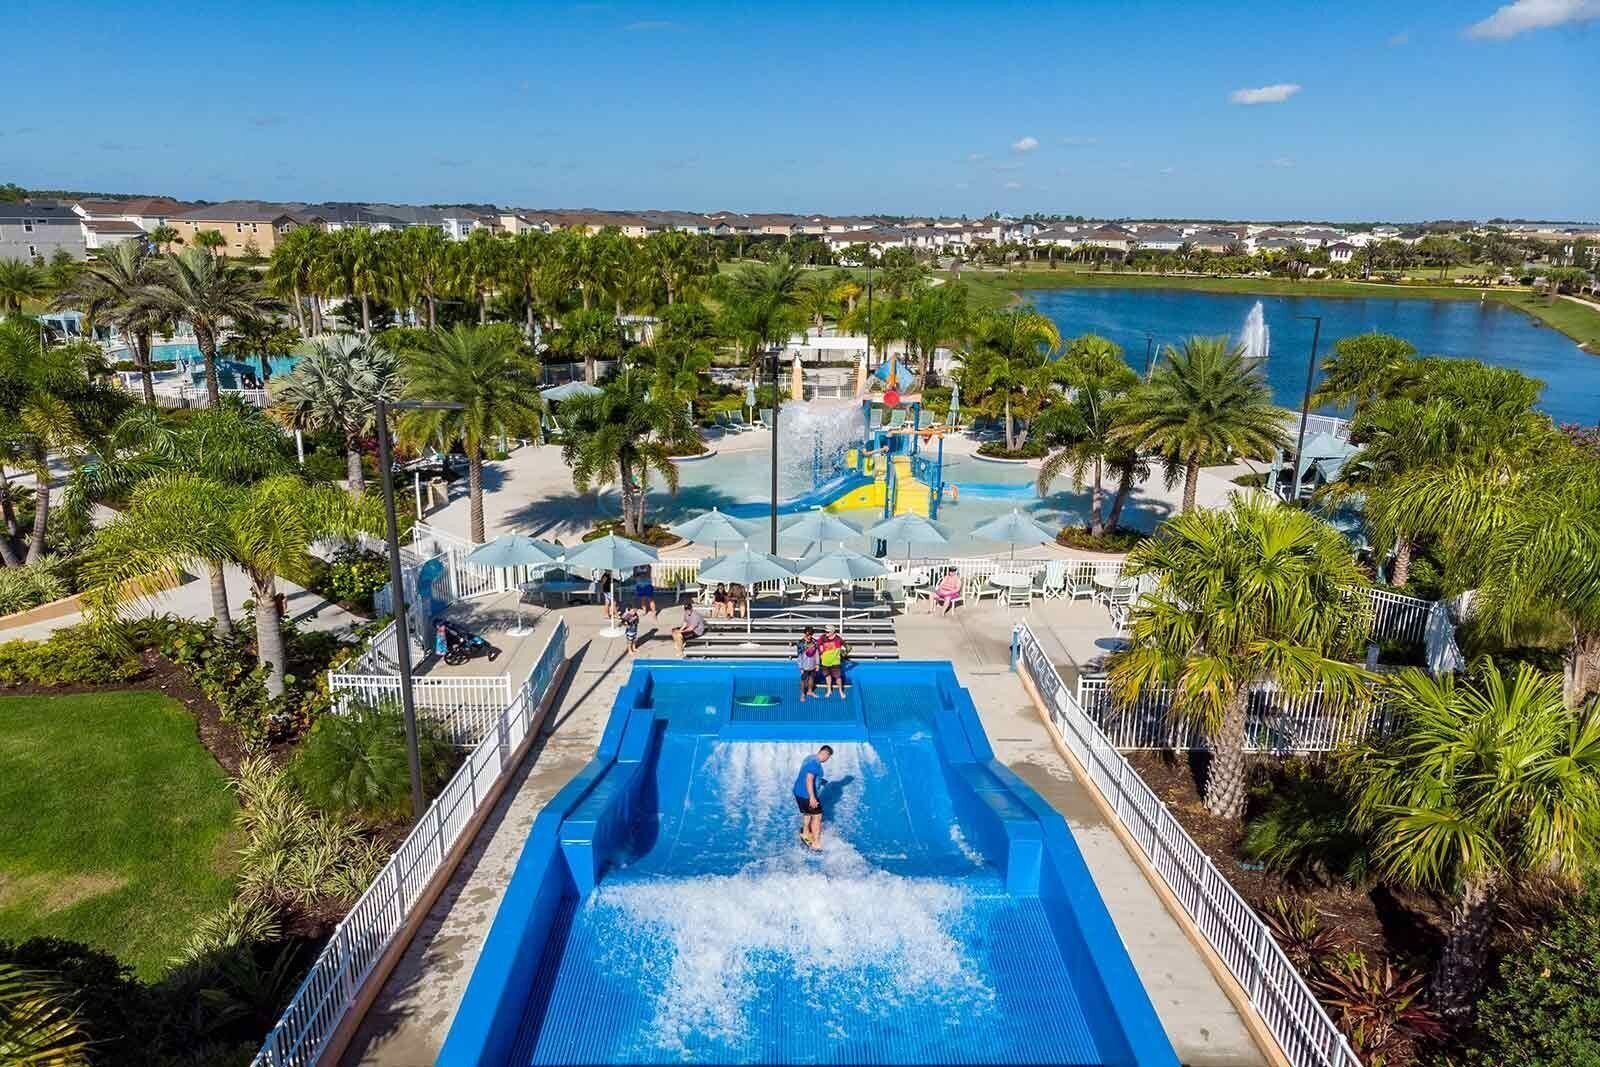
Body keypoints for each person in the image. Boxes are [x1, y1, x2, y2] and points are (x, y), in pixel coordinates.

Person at [793, 745, 833, 849]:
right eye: (828, 758)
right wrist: (812, 797)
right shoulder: (815, 764)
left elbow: (807, 774)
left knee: (807, 813)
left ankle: (805, 833)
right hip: (807, 795)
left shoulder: (809, 758)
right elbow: (809, 779)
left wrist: (820, 780)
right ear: (825, 754)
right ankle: (816, 843)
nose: (827, 760)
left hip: (798, 792)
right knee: (817, 816)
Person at [818, 627, 847, 699]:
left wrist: (842, 655)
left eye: (827, 632)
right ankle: (829, 690)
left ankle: (841, 691)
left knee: (838, 677)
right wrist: (821, 652)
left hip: (835, 662)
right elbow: (818, 645)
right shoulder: (822, 638)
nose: (826, 633)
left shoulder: (838, 639)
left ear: (832, 632)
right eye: (825, 631)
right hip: (825, 662)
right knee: (827, 676)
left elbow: (846, 648)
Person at [795, 627, 819, 702]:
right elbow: (799, 656)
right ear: (805, 634)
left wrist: (817, 664)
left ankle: (810, 691)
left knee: (812, 678)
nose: (809, 637)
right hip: (804, 665)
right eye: (808, 635)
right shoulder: (801, 643)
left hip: (812, 664)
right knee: (803, 680)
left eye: (811, 635)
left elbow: (817, 653)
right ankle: (802, 694)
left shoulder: (815, 642)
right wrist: (801, 667)